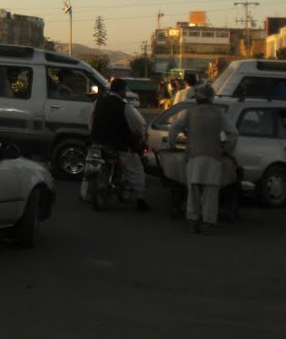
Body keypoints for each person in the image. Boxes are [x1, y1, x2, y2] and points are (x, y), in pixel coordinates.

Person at [166, 82, 238, 233]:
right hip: (213, 157)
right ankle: (207, 222)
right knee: (211, 193)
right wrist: (227, 150)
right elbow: (233, 133)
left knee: (193, 189)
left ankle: (193, 220)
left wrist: (171, 145)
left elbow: (174, 128)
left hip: (193, 156)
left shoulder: (190, 113)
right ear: (212, 98)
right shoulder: (219, 113)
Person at [87, 78, 150, 211]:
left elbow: (91, 121)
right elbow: (137, 126)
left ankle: (85, 194)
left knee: (90, 166)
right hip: (119, 145)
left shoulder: (98, 102)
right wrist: (140, 137)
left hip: (97, 142)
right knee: (136, 170)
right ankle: (141, 200)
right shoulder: (124, 106)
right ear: (122, 90)